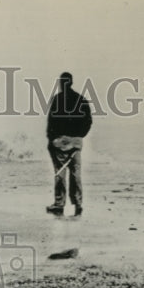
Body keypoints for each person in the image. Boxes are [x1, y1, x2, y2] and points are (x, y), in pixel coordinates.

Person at [45, 72, 92, 217]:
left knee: (60, 173)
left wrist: (51, 139)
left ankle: (59, 204)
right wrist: (79, 136)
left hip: (60, 141)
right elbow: (88, 121)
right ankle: (78, 203)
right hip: (76, 141)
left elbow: (51, 122)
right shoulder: (81, 99)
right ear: (71, 83)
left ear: (61, 83)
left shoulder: (57, 99)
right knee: (76, 173)